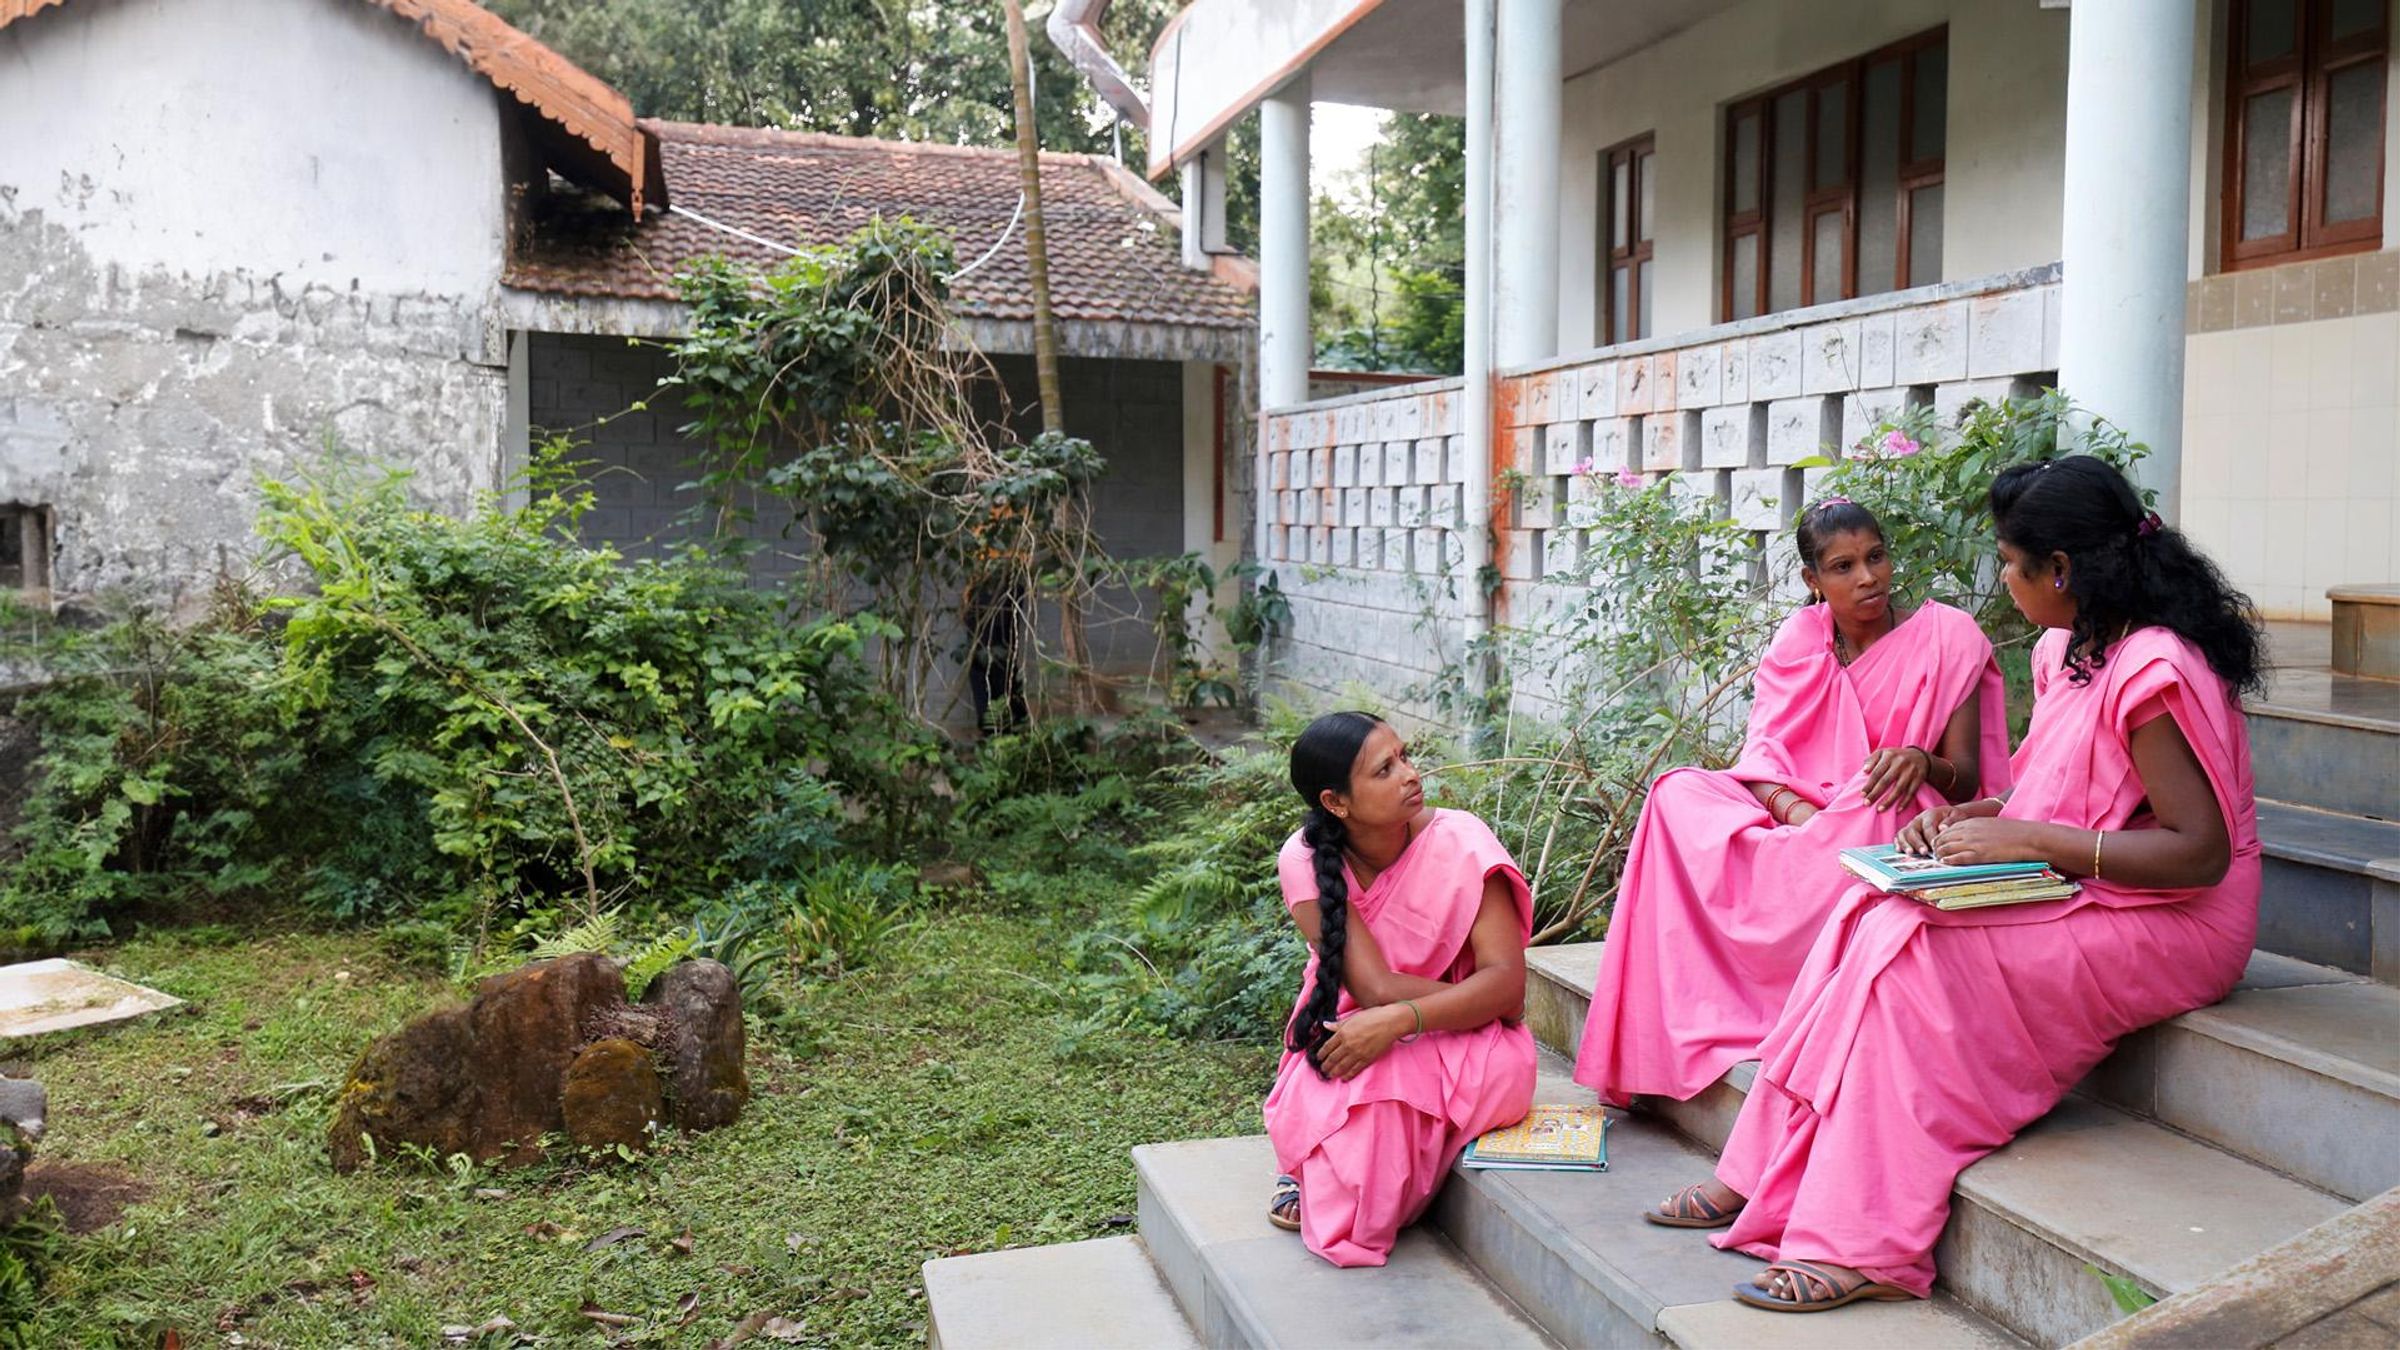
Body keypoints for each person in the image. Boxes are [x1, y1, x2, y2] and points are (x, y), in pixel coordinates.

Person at [1657, 455, 2264, 1313]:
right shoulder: (2069, 647)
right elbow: (2055, 790)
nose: (2007, 583)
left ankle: (1865, 1242)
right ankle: (1763, 1169)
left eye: (2013, 566)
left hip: (2177, 918)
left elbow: (2198, 854)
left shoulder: (2152, 667)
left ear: (2062, 570)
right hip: (2090, 876)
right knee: (1867, 909)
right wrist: (1966, 816)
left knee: (1915, 956)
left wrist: (2026, 840)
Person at [1574, 499, 2010, 1152]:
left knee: (1870, 798)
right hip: (1804, 816)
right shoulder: (1799, 639)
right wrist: (1797, 813)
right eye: (1844, 566)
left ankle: (1792, 964)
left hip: (1891, 810)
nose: (1868, 577)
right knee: (1676, 793)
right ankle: (1700, 999)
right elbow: (1764, 758)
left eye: (1876, 557)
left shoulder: (1948, 637)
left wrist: (1919, 759)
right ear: (1814, 581)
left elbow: (1969, 777)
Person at [1261, 710, 1538, 1268]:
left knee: (1379, 1093)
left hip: (1476, 1038)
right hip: (1353, 1019)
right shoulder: (1306, 858)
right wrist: (1448, 999)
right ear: (1336, 802)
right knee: (1349, 1073)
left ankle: (1342, 1186)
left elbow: (1507, 992)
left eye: (1405, 756)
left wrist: (1403, 1020)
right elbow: (1372, 985)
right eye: (1385, 770)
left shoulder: (1463, 841)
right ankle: (1338, 1179)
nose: (1410, 774)